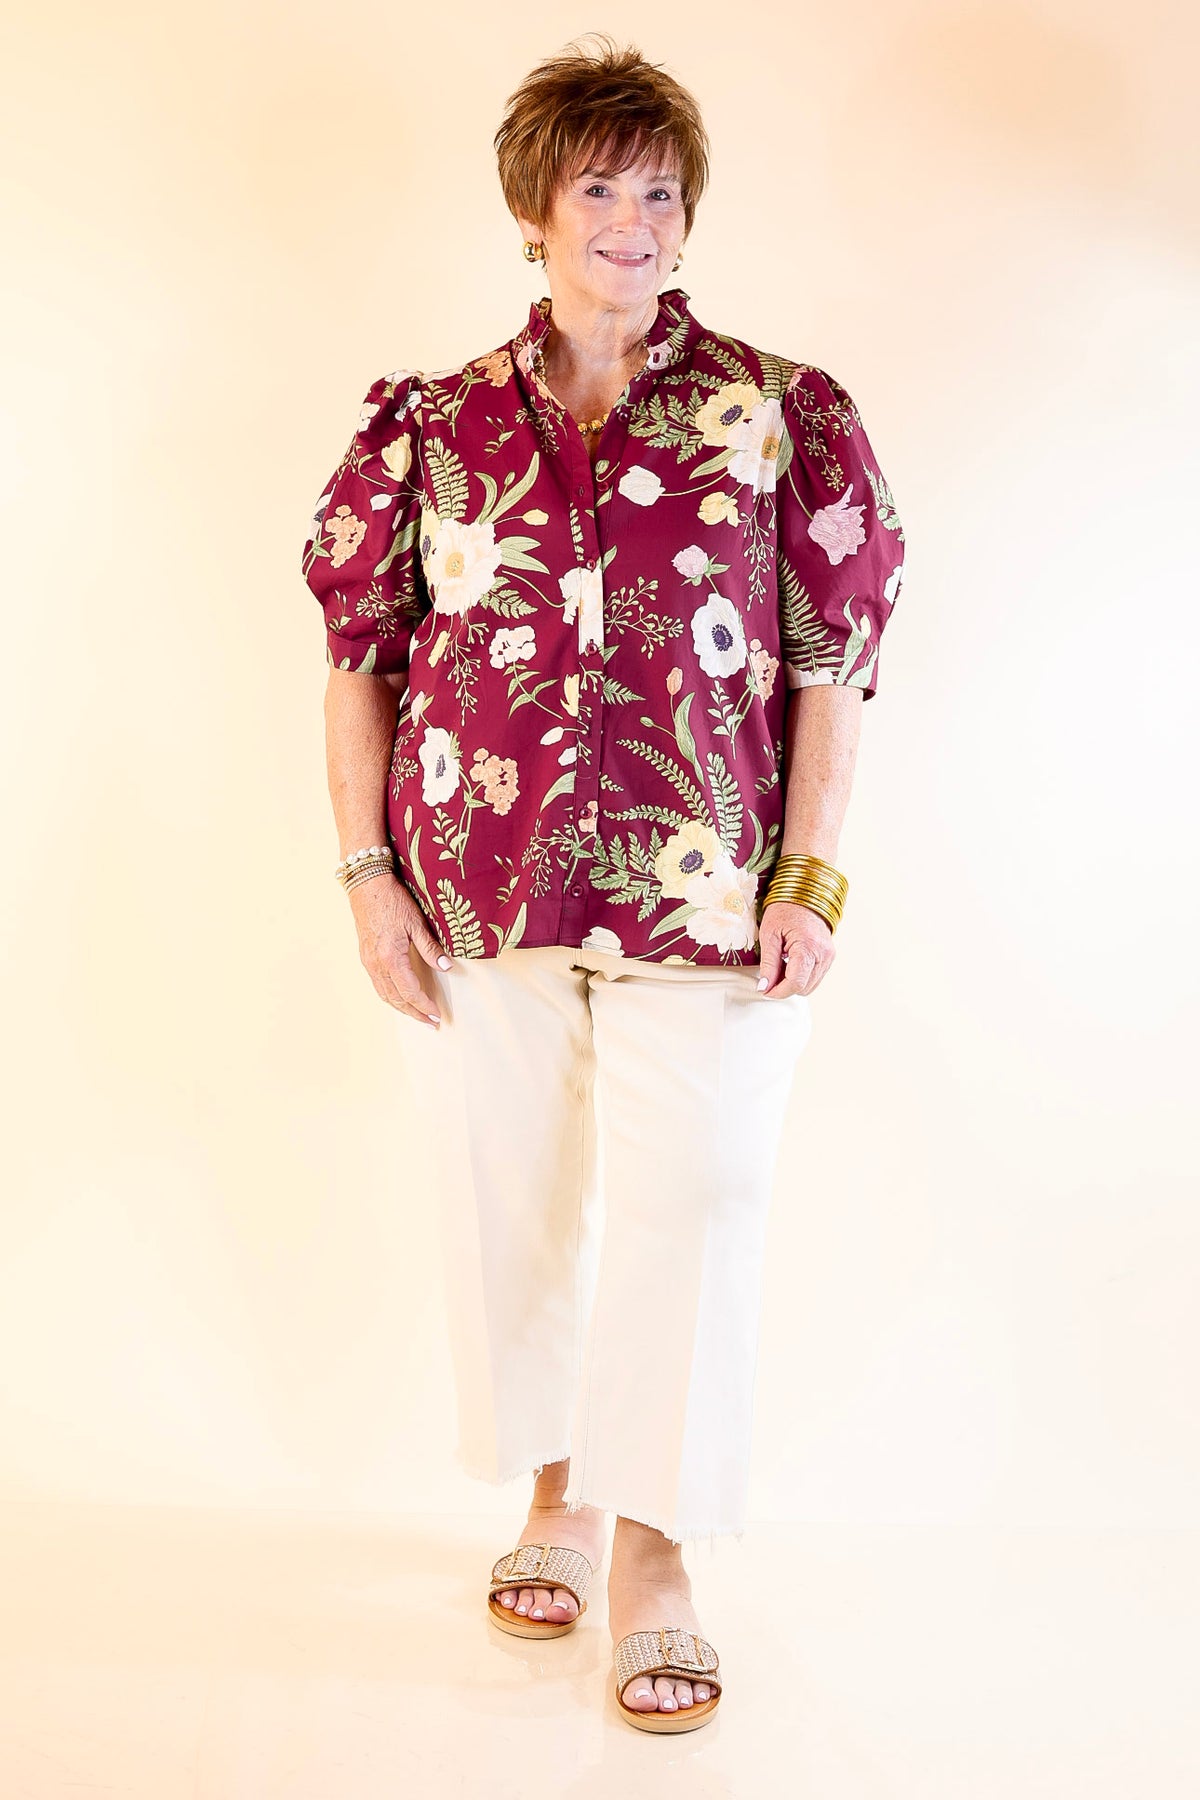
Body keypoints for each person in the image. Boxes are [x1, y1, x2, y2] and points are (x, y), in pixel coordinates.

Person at [300, 32, 905, 1734]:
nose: (633, 223)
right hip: (476, 888)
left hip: (707, 892)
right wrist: (366, 877)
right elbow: (359, 659)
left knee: (692, 1201)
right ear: (534, 213)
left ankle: (655, 1554)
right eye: (598, 190)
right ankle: (557, 1492)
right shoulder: (432, 428)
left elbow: (833, 663)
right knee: (510, 1196)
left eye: (660, 193)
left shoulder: (781, 416)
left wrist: (810, 878)